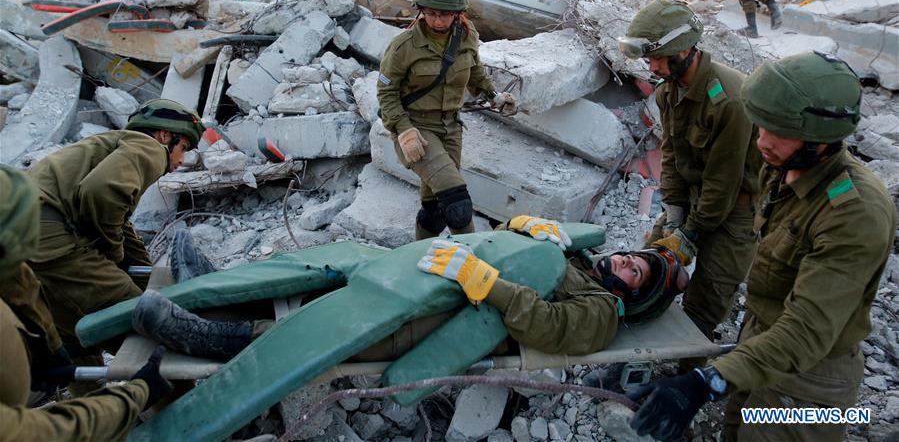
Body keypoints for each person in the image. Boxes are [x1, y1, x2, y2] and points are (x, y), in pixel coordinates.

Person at [630, 51, 895, 442]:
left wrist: (707, 382)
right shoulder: (786, 166)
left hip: (807, 385)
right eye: (761, 126)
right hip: (759, 344)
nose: (762, 142)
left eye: (780, 132)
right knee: (735, 432)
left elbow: (807, 330)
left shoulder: (854, 213)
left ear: (822, 137)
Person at [129, 217, 689, 360]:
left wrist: (486, 284)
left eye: (633, 271)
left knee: (358, 329)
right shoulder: (585, 261)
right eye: (628, 255)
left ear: (632, 297)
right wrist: (527, 229)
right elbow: (519, 245)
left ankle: (219, 338)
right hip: (442, 266)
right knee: (343, 269)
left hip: (468, 316)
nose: (619, 261)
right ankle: (219, 288)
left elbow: (547, 325)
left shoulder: (601, 311)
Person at [618, 0, 760, 367]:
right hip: (696, 201)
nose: (651, 66)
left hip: (735, 211)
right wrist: (675, 212)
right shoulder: (668, 90)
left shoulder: (728, 99)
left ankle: (687, 378)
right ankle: (639, 354)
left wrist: (691, 233)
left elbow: (723, 181)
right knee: (647, 268)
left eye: (657, 57)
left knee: (705, 300)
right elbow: (674, 155)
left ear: (684, 49)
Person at [0, 165, 173, 441]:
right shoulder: (145, 150)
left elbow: (18, 281)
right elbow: (40, 433)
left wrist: (49, 347)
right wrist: (136, 395)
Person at [26, 99, 205, 351]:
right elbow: (101, 191)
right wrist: (112, 253)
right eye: (183, 147)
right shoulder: (150, 148)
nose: (181, 160)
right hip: (47, 241)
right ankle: (180, 390)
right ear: (165, 136)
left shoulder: (106, 146)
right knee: (145, 327)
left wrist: (140, 268)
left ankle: (91, 390)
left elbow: (117, 223)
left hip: (18, 247)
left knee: (72, 338)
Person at [376, 0, 517, 240]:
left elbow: (474, 70)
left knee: (435, 210)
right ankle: (473, 263)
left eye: (444, 14)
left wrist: (493, 96)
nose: (437, 20)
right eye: (430, 13)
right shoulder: (403, 46)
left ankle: (419, 259)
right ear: (420, 11)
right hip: (416, 130)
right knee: (457, 204)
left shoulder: (465, 35)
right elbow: (386, 93)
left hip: (451, 128)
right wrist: (403, 130)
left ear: (458, 13)